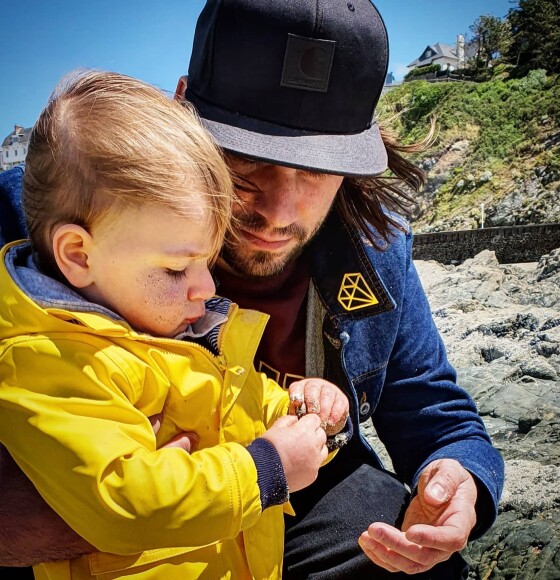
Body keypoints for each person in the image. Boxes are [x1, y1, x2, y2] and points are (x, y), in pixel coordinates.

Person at [0, 0, 505, 577]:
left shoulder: (376, 247)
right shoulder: (43, 210)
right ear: (182, 111)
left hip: (290, 502)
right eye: (247, 160)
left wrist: (458, 479)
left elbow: (431, 407)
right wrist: (106, 509)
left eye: (316, 169)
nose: (279, 211)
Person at [0, 69, 350, 580]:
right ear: (77, 254)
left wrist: (298, 406)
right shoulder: (51, 360)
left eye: (207, 262)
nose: (205, 287)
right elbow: (122, 502)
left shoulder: (164, 328)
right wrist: (266, 470)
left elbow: (235, 406)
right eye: (174, 268)